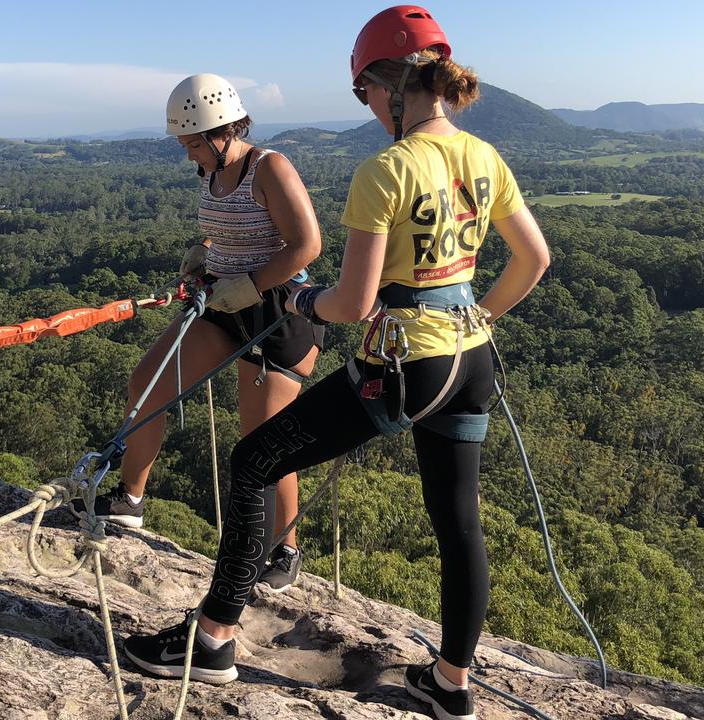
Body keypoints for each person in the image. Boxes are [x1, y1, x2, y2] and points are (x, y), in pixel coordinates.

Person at [121, 7, 551, 720]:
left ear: (384, 88)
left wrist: (305, 305)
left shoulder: (387, 168)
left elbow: (352, 303)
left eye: (364, 97)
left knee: (254, 462)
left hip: (408, 364)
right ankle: (451, 684)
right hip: (471, 362)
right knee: (459, 523)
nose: (369, 112)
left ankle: (215, 638)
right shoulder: (484, 155)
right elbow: (533, 259)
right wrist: (480, 317)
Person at [73, 73, 324, 593]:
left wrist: (249, 284)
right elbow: (236, 231)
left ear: (221, 131)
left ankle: (285, 551)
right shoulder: (213, 171)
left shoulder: (269, 168)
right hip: (226, 300)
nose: (188, 155)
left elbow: (306, 245)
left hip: (279, 311)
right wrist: (206, 257)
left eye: (192, 143)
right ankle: (130, 502)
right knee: (147, 384)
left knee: (264, 441)